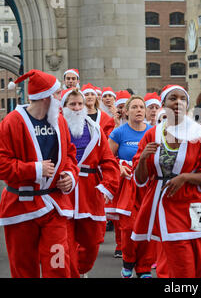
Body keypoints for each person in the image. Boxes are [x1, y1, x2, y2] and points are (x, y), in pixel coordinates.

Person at [0, 69, 79, 278]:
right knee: (23, 269)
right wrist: (35, 169)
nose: (61, 98)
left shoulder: (59, 121)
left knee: (58, 266)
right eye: (58, 94)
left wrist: (69, 175)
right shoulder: (11, 123)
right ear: (46, 97)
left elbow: (70, 155)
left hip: (53, 205)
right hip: (21, 207)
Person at [131, 84, 201, 278]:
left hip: (196, 204)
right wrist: (143, 158)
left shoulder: (200, 135)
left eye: (182, 99)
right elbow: (140, 179)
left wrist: (186, 177)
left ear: (187, 105)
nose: (177, 102)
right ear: (163, 104)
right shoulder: (152, 135)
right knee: (182, 264)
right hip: (167, 203)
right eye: (172, 98)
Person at [61, 88, 120, 278]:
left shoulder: (95, 130)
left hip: (89, 192)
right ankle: (71, 273)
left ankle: (79, 270)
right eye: (73, 104)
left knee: (92, 242)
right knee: (64, 243)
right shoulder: (55, 128)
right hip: (63, 192)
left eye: (80, 104)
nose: (77, 108)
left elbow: (109, 161)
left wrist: (107, 185)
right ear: (64, 107)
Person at [109, 95, 155, 278]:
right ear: (126, 111)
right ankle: (128, 262)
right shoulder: (119, 132)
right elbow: (106, 158)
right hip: (127, 185)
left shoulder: (153, 131)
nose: (139, 110)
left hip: (148, 184)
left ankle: (144, 267)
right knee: (128, 228)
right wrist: (119, 165)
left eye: (141, 107)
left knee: (147, 226)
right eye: (134, 107)